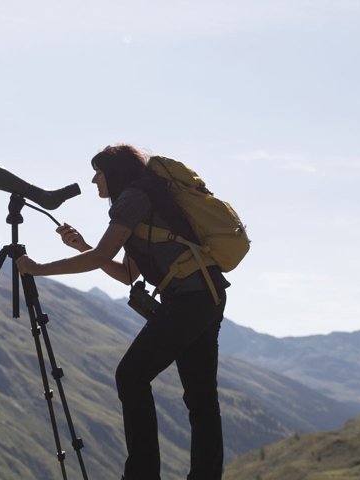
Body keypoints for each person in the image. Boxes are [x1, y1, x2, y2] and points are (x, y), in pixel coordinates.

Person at [16, 144, 230, 480]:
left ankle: (142, 475)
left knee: (131, 376)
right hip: (206, 296)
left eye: (98, 172)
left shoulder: (133, 198)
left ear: (113, 174)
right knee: (201, 397)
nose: (93, 180)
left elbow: (102, 257)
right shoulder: (147, 197)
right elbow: (128, 273)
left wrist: (39, 268)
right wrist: (84, 247)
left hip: (190, 299)